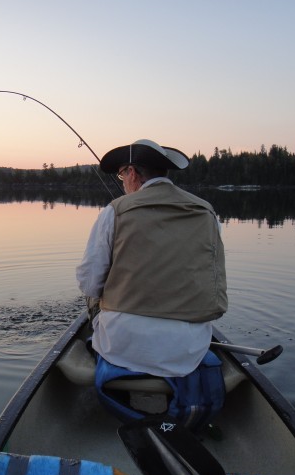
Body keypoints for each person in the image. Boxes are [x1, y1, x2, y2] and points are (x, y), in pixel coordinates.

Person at [76, 139, 227, 381]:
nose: (123, 182)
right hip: (188, 352)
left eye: (121, 176)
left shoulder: (114, 211)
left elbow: (89, 283)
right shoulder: (207, 212)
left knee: (93, 291)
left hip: (122, 347)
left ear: (132, 173)